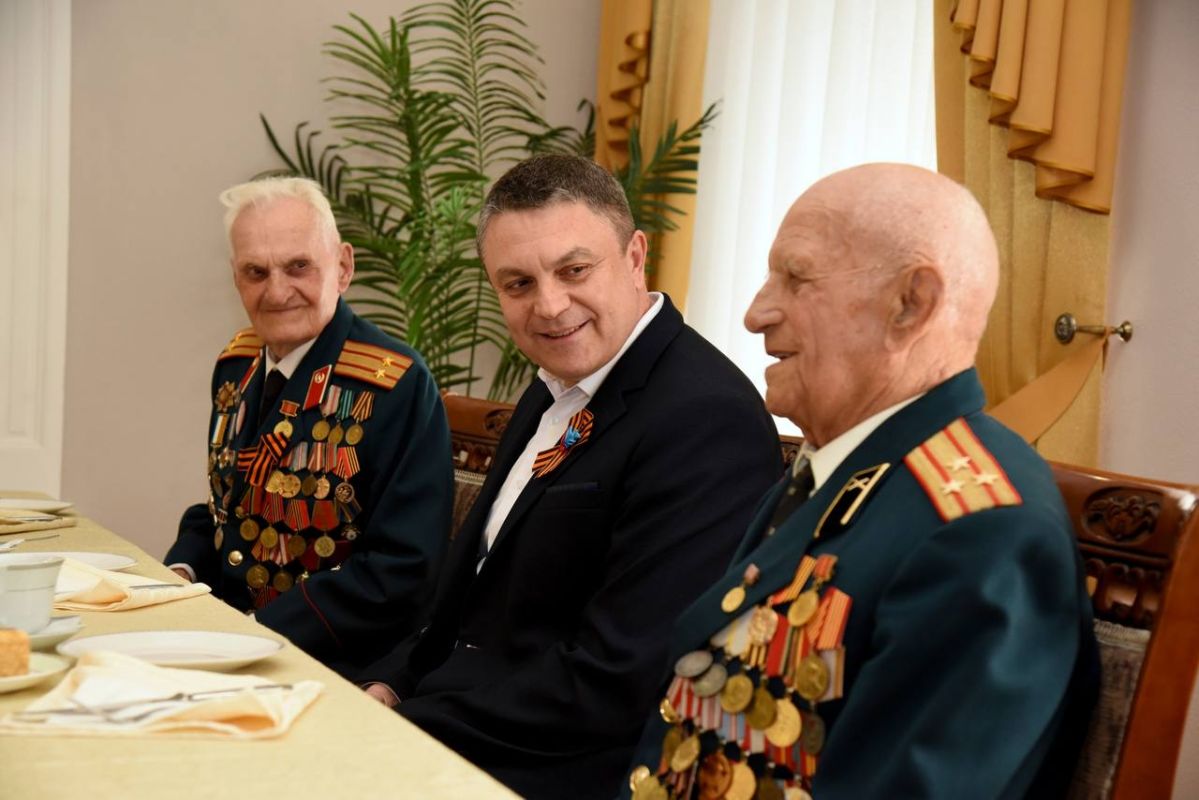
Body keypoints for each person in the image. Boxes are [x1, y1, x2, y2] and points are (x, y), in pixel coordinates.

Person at [623, 163, 1099, 799]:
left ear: (911, 304)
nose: (756, 313)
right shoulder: (839, 466)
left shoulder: (984, 532)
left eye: (796, 278)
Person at [361, 155, 782, 798]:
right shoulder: (557, 381)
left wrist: (405, 730)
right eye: (518, 284)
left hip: (568, 769)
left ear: (635, 257)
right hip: (463, 720)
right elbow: (470, 599)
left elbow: (619, 679)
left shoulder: (705, 415)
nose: (550, 306)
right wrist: (387, 685)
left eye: (574, 270)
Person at [165, 177, 452, 681]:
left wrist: (257, 632)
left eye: (298, 266)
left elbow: (403, 567)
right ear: (236, 278)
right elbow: (226, 507)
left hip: (336, 662)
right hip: (232, 641)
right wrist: (178, 574)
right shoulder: (237, 366)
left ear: (343, 267)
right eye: (256, 272)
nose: (276, 292)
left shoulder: (394, 384)